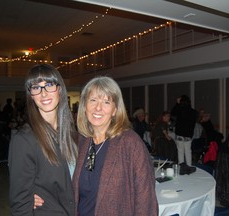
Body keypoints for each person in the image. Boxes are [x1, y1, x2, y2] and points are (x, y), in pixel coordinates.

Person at [35, 76, 158, 215]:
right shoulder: (81, 141)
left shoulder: (130, 143)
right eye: (93, 100)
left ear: (115, 110)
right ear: (84, 106)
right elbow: (62, 181)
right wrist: (37, 193)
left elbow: (146, 199)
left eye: (106, 102)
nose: (98, 108)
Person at [8, 64, 78, 216]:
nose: (43, 93)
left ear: (59, 89)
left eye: (49, 85)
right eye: (36, 87)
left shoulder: (72, 134)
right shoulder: (24, 140)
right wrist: (28, 197)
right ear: (31, 95)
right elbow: (20, 204)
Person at [171, 95, 198, 167]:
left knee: (180, 151)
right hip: (188, 134)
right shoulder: (194, 112)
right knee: (188, 150)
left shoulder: (180, 110)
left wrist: (177, 103)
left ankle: (181, 165)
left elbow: (172, 113)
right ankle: (189, 165)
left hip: (179, 133)